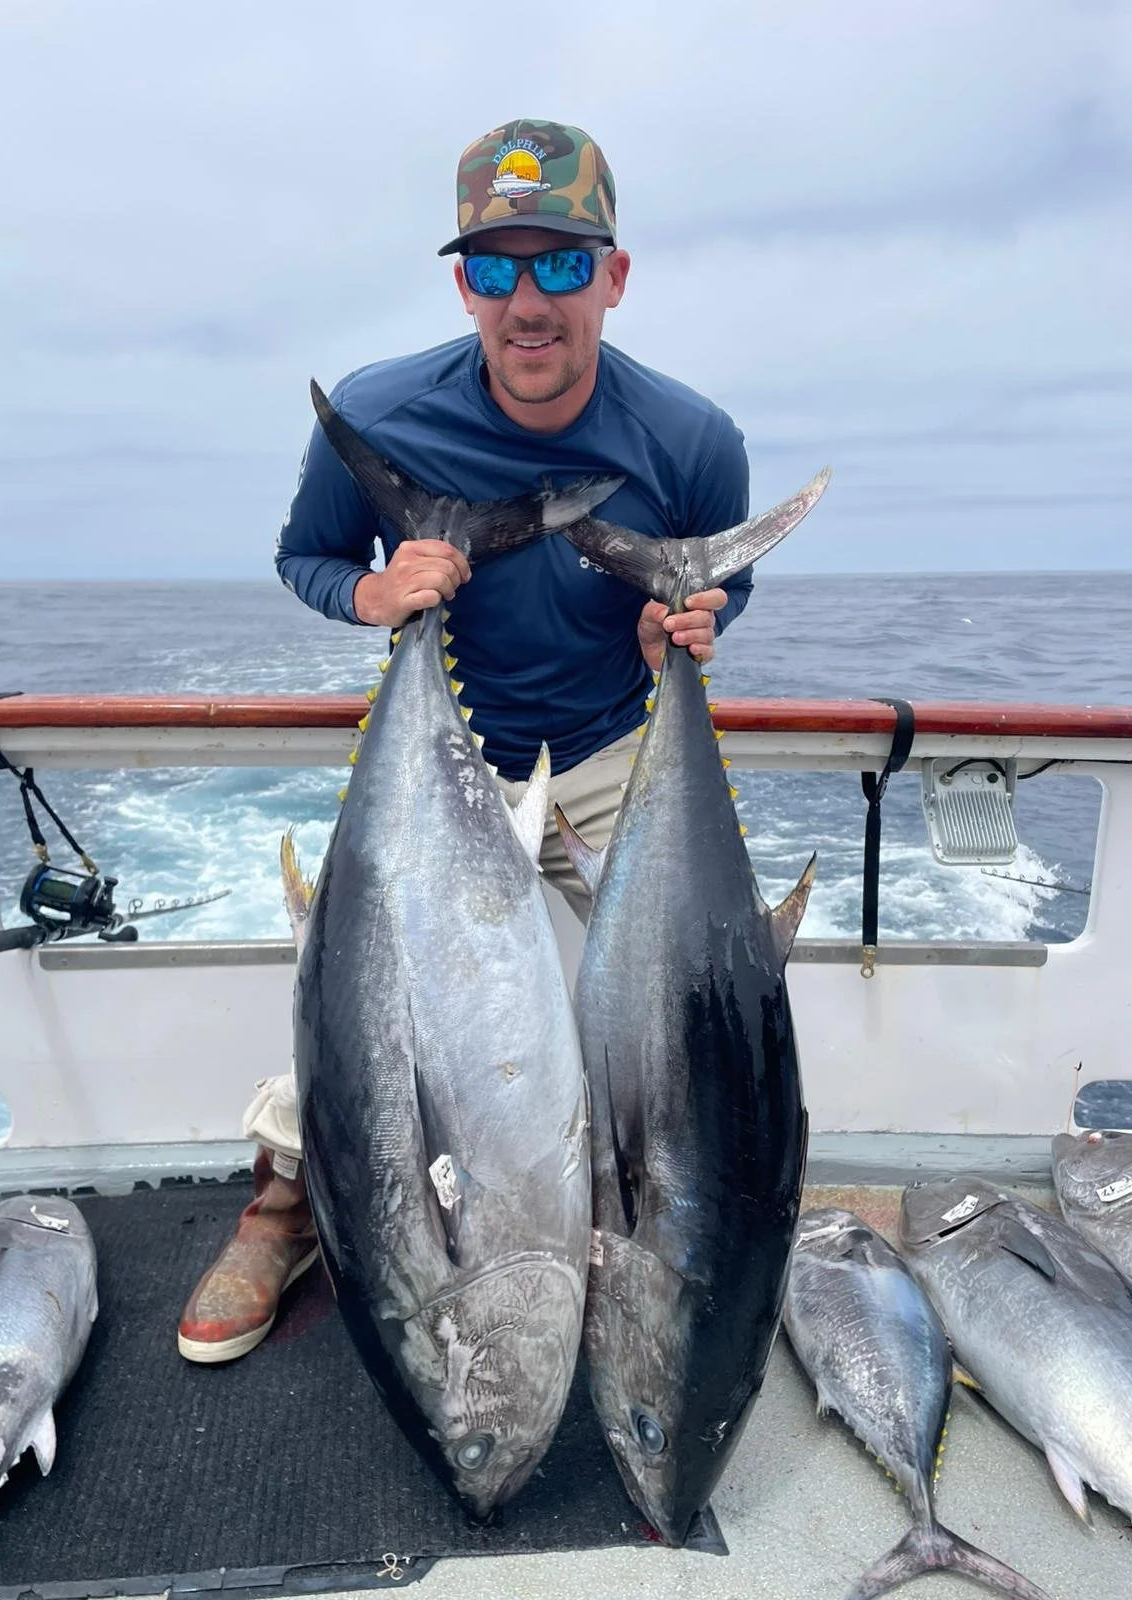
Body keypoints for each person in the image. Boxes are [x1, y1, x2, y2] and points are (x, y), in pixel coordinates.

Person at [177, 118, 753, 1364]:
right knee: (371, 1004)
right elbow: (306, 558)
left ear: (614, 273)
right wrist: (375, 597)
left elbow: (721, 586)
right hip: (448, 765)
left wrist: (694, 617)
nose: (527, 300)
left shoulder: (692, 439)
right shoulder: (383, 415)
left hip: (611, 753)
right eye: (495, 268)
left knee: (705, 1012)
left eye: (558, 263)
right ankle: (285, 1198)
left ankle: (669, 1223)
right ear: (462, 283)